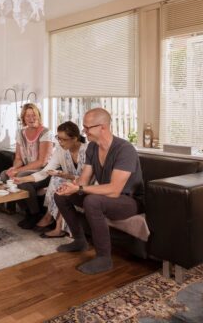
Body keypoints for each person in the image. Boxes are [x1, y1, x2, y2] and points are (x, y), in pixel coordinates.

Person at [54, 108, 144, 275]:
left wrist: (80, 188)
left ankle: (104, 258)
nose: (84, 131)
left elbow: (115, 190)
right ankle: (80, 240)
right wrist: (71, 187)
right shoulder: (92, 148)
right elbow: (84, 179)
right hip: (107, 196)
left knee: (92, 201)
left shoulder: (125, 149)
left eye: (87, 128)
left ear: (103, 127)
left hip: (129, 200)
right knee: (61, 195)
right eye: (84, 127)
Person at [14, 121, 87, 235]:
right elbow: (45, 171)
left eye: (64, 139)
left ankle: (50, 220)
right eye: (59, 138)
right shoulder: (60, 150)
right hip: (69, 183)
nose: (60, 142)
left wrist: (66, 175)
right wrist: (22, 179)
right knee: (56, 179)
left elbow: (88, 179)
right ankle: (53, 222)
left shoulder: (87, 151)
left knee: (59, 180)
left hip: (84, 186)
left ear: (75, 138)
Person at [0, 103, 53, 224]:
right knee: (4, 175)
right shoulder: (21, 133)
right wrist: (13, 168)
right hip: (27, 168)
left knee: (19, 177)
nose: (31, 118)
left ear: (38, 116)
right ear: (23, 118)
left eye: (34, 115)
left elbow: (41, 162)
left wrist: (18, 171)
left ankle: (34, 214)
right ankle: (25, 210)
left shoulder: (46, 132)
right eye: (27, 116)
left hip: (44, 171)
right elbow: (18, 157)